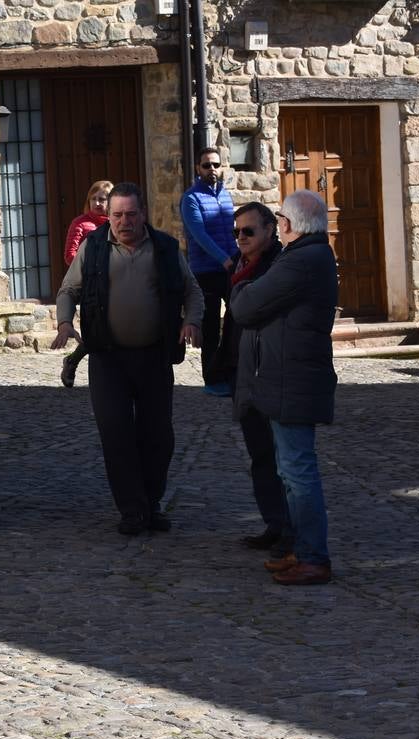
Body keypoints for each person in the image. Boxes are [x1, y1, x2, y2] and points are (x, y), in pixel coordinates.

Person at [51, 183, 204, 536]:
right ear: (110, 215)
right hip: (108, 358)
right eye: (116, 215)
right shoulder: (93, 247)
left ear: (143, 214)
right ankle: (132, 510)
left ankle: (152, 504)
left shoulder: (165, 249)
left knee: (158, 436)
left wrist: (191, 321)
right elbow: (67, 290)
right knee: (116, 434)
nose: (123, 222)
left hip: (154, 357)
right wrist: (64, 322)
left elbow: (191, 290)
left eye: (130, 214)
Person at [229, 190, 338, 585]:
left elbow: (244, 307)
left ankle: (313, 556)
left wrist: (241, 290)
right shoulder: (306, 256)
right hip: (287, 377)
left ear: (287, 225)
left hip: (294, 380)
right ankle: (301, 548)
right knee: (288, 469)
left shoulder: (302, 261)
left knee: (298, 471)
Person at [214, 202, 290, 555]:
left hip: (267, 372)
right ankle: (274, 523)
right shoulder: (242, 266)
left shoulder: (278, 266)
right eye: (236, 232)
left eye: (248, 231)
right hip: (241, 371)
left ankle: (290, 528)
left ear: (269, 231)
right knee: (260, 453)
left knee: (283, 457)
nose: (240, 238)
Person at [180, 148, 238, 397]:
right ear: (198, 168)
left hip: (231, 268)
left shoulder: (225, 195)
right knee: (211, 328)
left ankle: (232, 373)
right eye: (206, 165)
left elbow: (232, 231)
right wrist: (224, 260)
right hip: (206, 272)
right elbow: (199, 235)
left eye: (215, 165)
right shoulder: (191, 199)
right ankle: (212, 380)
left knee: (237, 323)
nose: (211, 169)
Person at [59, 180, 113, 389]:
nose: (98, 203)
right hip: (90, 286)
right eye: (94, 199)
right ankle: (73, 362)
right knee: (95, 330)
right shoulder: (81, 224)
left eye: (103, 199)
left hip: (114, 285)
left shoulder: (117, 224)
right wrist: (90, 270)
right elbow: (69, 255)